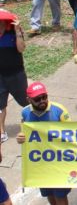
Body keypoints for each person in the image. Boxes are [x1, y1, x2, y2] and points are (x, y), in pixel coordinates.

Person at [16, 82, 71, 205]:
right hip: (40, 164)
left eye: (44, 97)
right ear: (28, 100)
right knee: (49, 194)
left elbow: (72, 136)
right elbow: (24, 131)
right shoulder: (25, 113)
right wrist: (20, 137)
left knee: (60, 196)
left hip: (59, 163)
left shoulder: (59, 111)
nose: (42, 101)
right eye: (37, 99)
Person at [0, 10, 28, 142]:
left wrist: (18, 31)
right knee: (0, 106)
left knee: (25, 101)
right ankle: (1, 131)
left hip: (16, 74)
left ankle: (34, 123)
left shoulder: (12, 32)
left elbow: (21, 49)